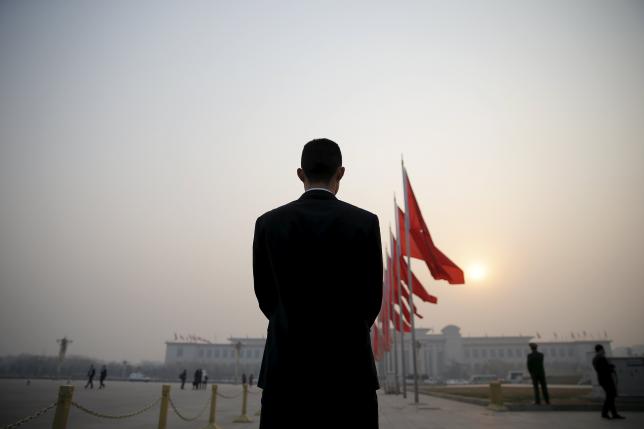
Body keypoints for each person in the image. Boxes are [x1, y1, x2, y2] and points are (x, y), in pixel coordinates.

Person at [253, 139, 383, 429]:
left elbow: (265, 296)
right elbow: (372, 299)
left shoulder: (268, 223)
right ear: (341, 173)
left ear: (301, 174)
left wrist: (289, 321)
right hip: (350, 370)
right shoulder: (365, 222)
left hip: (285, 369)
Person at [593, 344, 625, 420]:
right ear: (600, 350)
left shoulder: (595, 359)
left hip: (603, 380)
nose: (604, 351)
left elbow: (602, 368)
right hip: (606, 380)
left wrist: (609, 366)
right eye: (603, 350)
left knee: (610, 396)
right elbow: (603, 369)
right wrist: (610, 368)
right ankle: (605, 413)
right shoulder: (600, 358)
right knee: (610, 396)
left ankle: (613, 413)